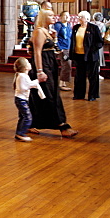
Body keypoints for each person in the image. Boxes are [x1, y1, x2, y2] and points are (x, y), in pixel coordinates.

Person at [27, 9, 78, 137]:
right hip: (44, 66)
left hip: (50, 63)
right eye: (50, 15)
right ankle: (62, 126)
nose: (54, 17)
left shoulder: (47, 31)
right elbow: (37, 52)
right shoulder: (39, 32)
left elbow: (51, 49)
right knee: (49, 95)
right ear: (43, 17)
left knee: (45, 94)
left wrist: (54, 38)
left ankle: (31, 123)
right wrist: (39, 71)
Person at [71, 10, 104, 101]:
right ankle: (78, 95)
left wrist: (92, 50)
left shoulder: (93, 28)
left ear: (87, 19)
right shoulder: (76, 27)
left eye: (81, 17)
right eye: (79, 17)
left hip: (91, 56)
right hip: (79, 55)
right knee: (79, 76)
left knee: (92, 76)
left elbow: (100, 42)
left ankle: (92, 95)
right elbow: (73, 41)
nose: (79, 19)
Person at [13, 57, 45, 142]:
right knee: (28, 117)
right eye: (28, 63)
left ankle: (19, 133)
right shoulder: (22, 76)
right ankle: (21, 133)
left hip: (21, 99)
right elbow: (25, 87)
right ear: (25, 67)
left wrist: (35, 82)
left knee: (23, 117)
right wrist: (37, 81)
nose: (30, 64)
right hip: (21, 100)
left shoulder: (23, 76)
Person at [53, 11, 72, 91]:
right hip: (62, 48)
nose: (67, 17)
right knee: (66, 64)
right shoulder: (58, 25)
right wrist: (59, 48)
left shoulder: (68, 25)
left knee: (68, 65)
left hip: (68, 47)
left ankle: (63, 82)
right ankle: (61, 84)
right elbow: (55, 37)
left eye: (68, 15)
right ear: (60, 17)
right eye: (65, 16)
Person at [91, 12, 107, 79]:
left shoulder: (90, 23)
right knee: (98, 59)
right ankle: (97, 73)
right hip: (98, 44)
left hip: (90, 43)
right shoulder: (102, 25)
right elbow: (103, 34)